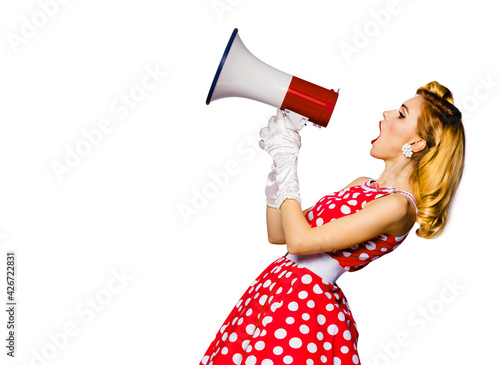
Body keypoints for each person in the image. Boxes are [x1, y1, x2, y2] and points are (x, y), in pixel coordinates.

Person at [199, 81, 465, 365]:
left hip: (302, 306)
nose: (387, 113)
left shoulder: (398, 207)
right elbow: (279, 232)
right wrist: (279, 165)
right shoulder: (363, 185)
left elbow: (300, 242)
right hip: (276, 290)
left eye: (400, 114)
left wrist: (288, 159)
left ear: (415, 144)